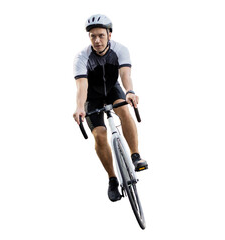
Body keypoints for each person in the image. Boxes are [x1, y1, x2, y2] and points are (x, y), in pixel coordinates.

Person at [73, 14, 148, 202]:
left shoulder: (120, 50)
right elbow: (82, 86)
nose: (97, 40)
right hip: (93, 97)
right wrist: (80, 107)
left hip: (113, 90)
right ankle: (113, 179)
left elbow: (125, 74)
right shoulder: (82, 57)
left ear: (109, 35)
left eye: (101, 35)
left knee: (123, 110)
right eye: (93, 36)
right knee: (99, 134)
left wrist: (130, 91)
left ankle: (135, 156)